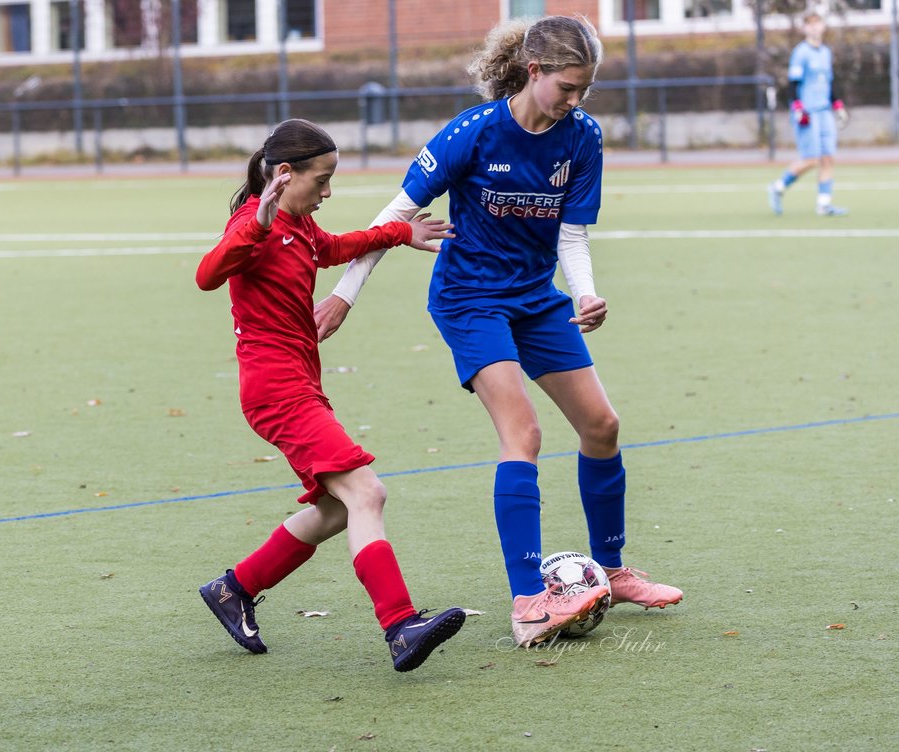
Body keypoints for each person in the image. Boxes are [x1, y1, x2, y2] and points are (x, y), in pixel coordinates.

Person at [316, 16, 683, 648]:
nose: (576, 101)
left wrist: (587, 291)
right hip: (470, 301)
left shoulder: (583, 138)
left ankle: (614, 570)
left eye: (585, 89)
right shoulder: (474, 133)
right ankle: (528, 600)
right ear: (534, 72)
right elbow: (397, 214)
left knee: (602, 426)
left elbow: (571, 232)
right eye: (567, 87)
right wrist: (345, 293)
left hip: (538, 299)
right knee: (525, 432)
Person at [196, 118, 467, 673]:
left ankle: (234, 589)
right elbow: (207, 274)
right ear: (285, 174)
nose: (328, 191)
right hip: (277, 391)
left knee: (335, 509)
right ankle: (400, 625)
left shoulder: (298, 225)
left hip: (298, 385)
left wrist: (399, 233)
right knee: (367, 494)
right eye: (321, 180)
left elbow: (334, 247)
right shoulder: (258, 222)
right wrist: (258, 223)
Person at [767, 11, 849, 217]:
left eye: (817, 24)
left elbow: (829, 83)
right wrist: (798, 108)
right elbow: (793, 85)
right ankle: (777, 187)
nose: (814, 28)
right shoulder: (801, 53)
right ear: (804, 28)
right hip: (808, 113)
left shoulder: (825, 52)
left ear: (822, 27)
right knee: (811, 159)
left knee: (828, 158)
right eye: (810, 25)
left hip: (824, 112)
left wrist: (838, 105)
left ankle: (824, 205)